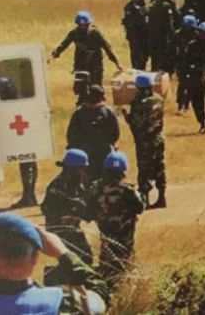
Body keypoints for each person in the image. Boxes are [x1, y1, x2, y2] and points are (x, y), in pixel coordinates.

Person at [87, 152, 146, 286]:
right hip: (125, 241)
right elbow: (141, 207)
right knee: (127, 271)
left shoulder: (95, 190)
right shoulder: (128, 190)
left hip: (106, 240)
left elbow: (89, 212)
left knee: (107, 270)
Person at [40, 149, 93, 265]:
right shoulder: (59, 184)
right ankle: (56, 275)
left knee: (80, 259)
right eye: (82, 168)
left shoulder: (76, 182)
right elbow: (45, 207)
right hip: (61, 228)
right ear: (73, 168)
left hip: (71, 226)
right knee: (84, 258)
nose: (84, 171)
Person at [124, 73, 167, 209]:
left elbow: (136, 123)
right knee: (159, 167)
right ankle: (162, 197)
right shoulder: (158, 99)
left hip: (145, 141)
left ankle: (145, 199)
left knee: (144, 169)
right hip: (158, 138)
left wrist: (127, 116)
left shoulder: (139, 104)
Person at [51, 11, 122, 87]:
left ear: (89, 24)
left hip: (95, 66)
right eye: (81, 25)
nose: (83, 27)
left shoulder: (95, 34)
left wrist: (117, 63)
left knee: (96, 89)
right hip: (80, 66)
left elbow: (107, 48)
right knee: (79, 88)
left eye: (85, 25)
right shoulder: (74, 33)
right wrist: (54, 55)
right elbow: (64, 44)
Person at [66, 85, 120, 183]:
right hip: (103, 151)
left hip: (85, 153)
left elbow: (71, 135)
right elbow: (115, 133)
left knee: (87, 180)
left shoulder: (79, 113)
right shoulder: (107, 112)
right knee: (104, 179)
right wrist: (108, 143)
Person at [147, 0, 181, 73]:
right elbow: (170, 24)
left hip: (153, 38)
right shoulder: (167, 6)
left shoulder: (153, 3)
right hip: (164, 39)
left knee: (155, 61)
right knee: (166, 62)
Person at [173, 15, 199, 115]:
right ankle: (180, 105)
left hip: (194, 63)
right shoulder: (177, 34)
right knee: (182, 84)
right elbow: (171, 49)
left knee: (191, 85)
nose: (185, 29)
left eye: (187, 27)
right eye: (184, 27)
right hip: (181, 62)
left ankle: (187, 104)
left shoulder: (197, 35)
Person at [122, 0, 149, 71]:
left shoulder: (144, 7)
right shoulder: (129, 8)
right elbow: (131, 23)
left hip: (144, 38)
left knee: (144, 59)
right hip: (136, 39)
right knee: (137, 61)